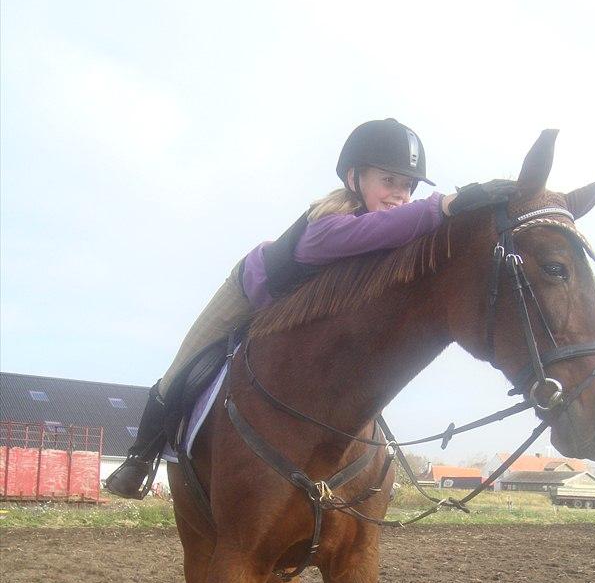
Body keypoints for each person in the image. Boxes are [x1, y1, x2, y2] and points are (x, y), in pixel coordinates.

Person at [106, 119, 512, 498]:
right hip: (249, 295)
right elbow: (394, 226)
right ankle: (139, 459)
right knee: (180, 370)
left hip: (296, 316)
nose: (399, 196)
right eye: (388, 180)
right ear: (354, 178)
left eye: (407, 186)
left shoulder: (394, 226)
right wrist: (447, 205)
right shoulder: (328, 226)